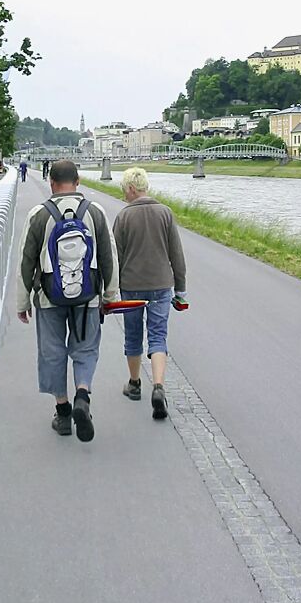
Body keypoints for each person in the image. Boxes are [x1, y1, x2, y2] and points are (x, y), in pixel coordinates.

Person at [17, 159, 119, 442]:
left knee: (52, 351)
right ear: (78, 181)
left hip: (49, 298)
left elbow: (26, 261)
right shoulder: (95, 212)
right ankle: (82, 396)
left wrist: (22, 301)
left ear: (51, 182)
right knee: (85, 349)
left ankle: (62, 413)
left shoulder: (39, 214)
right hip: (87, 297)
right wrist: (110, 296)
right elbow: (110, 257)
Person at [112, 167, 186, 420]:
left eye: (124, 190)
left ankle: (134, 384)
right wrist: (181, 287)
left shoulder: (122, 218)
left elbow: (115, 258)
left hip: (131, 285)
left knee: (133, 336)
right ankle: (158, 386)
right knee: (158, 336)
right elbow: (176, 254)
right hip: (161, 285)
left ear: (132, 189)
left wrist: (110, 291)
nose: (124, 195)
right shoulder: (165, 213)